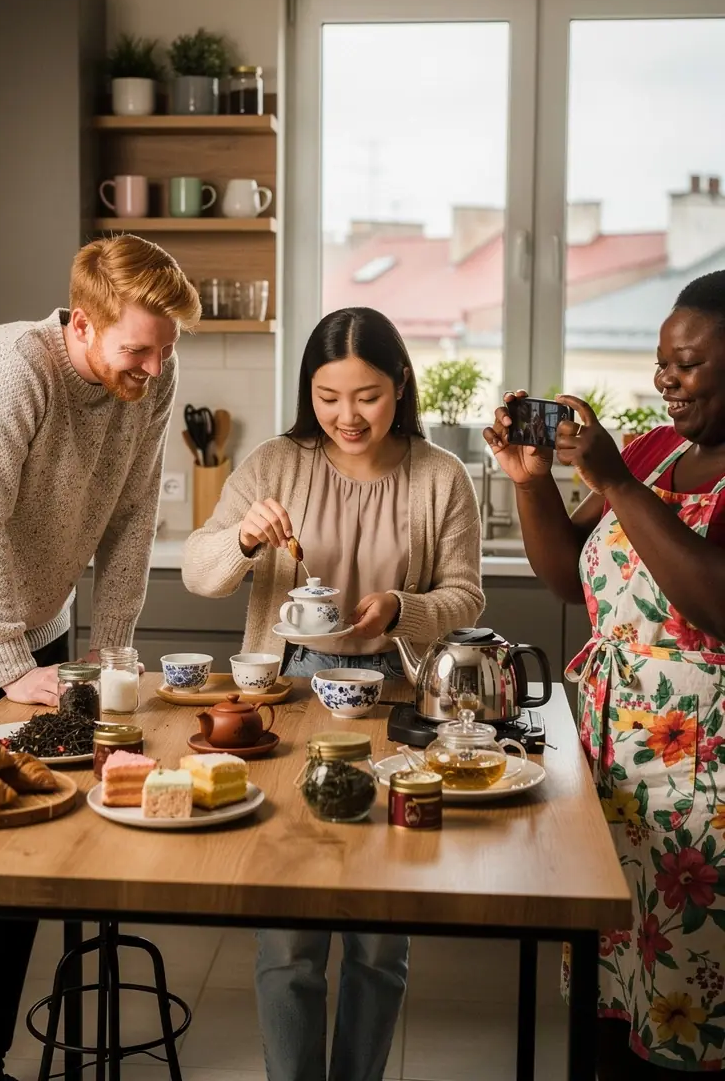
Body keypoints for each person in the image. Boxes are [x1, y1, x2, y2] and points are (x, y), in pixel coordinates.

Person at [0, 233, 199, 1081]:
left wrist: (112, 653)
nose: (151, 369)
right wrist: (6, 663)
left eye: (163, 350)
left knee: (25, 867)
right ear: (82, 323)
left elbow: (133, 519)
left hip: (40, 643)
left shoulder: (155, 375)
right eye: (135, 350)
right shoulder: (7, 372)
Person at [183, 306, 483, 1081]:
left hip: (393, 701)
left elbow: (466, 596)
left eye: (368, 396)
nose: (347, 416)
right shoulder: (275, 463)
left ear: (401, 387)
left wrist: (402, 608)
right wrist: (245, 538)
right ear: (308, 392)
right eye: (328, 396)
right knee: (287, 935)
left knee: (381, 933)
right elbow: (200, 570)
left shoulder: (440, 475)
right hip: (285, 697)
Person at [484, 270, 725, 1078]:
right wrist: (531, 482)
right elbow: (566, 576)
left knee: (690, 1004)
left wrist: (615, 480)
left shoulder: (637, 469)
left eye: (687, 364)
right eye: (662, 363)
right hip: (612, 773)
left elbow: (717, 603)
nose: (666, 380)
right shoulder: (658, 451)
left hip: (705, 790)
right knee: (608, 992)